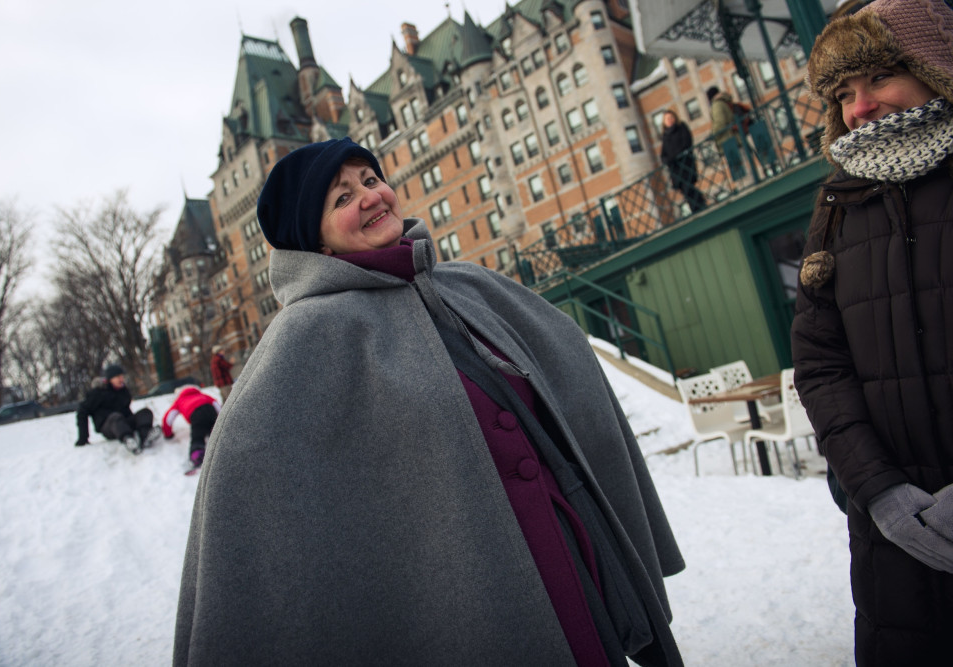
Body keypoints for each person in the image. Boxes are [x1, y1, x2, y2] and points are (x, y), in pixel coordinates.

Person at [173, 138, 685, 666]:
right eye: (342, 198)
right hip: (467, 598)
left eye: (370, 180)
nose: (370, 197)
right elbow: (247, 482)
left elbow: (565, 363)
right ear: (316, 243)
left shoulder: (467, 284)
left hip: (569, 560)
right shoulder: (302, 341)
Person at [791, 0, 953, 664]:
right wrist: (880, 491)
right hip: (894, 550)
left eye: (880, 78)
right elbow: (822, 364)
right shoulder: (836, 207)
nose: (861, 107)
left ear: (932, 69)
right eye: (844, 93)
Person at [75, 364, 158, 454]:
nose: (121, 379)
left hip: (124, 422)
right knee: (116, 417)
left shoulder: (123, 391)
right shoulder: (98, 393)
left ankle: (145, 435)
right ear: (110, 379)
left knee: (145, 412)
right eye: (118, 377)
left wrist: (136, 421)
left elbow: (127, 409)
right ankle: (128, 439)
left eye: (122, 376)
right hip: (109, 427)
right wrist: (83, 438)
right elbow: (82, 411)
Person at [160, 386, 220, 469]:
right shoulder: (202, 395)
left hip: (196, 414)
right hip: (210, 410)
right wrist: (221, 419)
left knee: (198, 436)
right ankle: (222, 449)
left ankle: (197, 455)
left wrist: (168, 434)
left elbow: (168, 418)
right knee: (216, 433)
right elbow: (216, 404)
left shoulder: (180, 400)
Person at [659, 109, 706, 214]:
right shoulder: (665, 136)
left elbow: (687, 142)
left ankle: (700, 207)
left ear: (675, 118)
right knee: (685, 190)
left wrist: (675, 156)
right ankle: (696, 208)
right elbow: (663, 155)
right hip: (675, 169)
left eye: (671, 118)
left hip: (685, 164)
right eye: (667, 119)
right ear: (664, 122)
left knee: (688, 187)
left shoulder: (681, 128)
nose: (670, 120)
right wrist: (669, 160)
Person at [707, 85, 748, 181]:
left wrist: (712, 135)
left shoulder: (717, 105)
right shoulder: (726, 101)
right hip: (736, 138)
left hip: (729, 141)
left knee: (739, 173)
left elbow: (720, 122)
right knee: (745, 166)